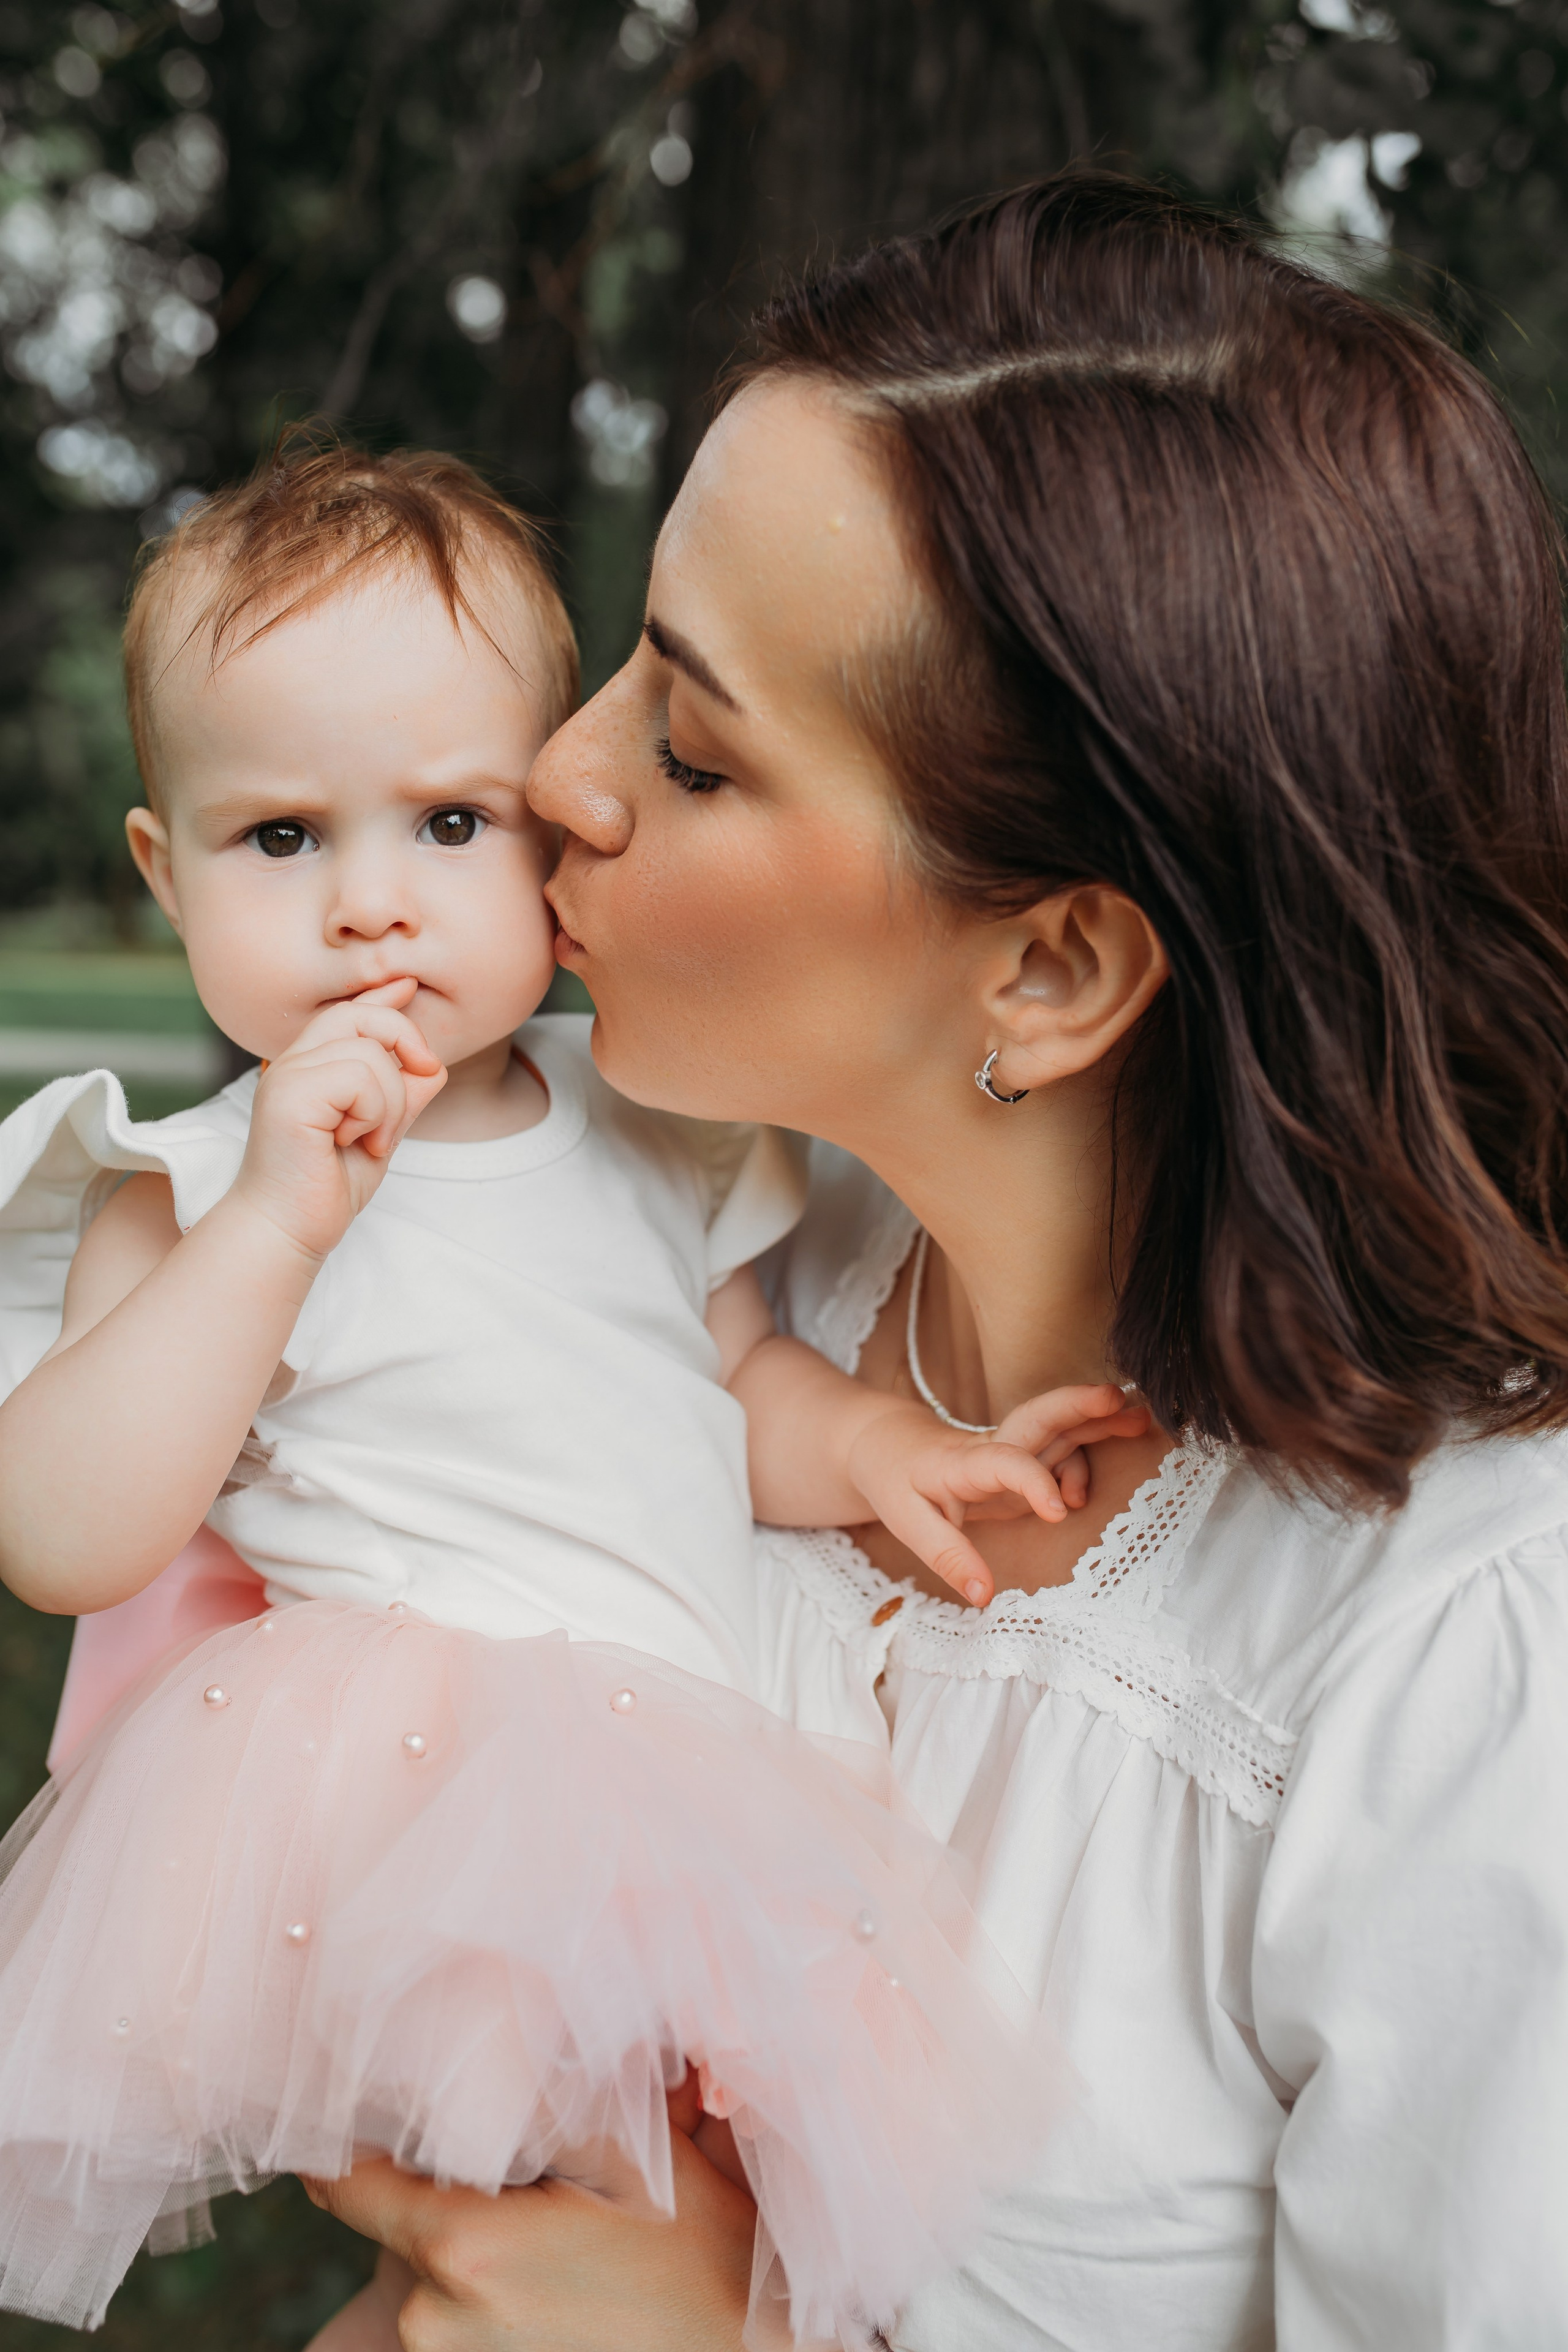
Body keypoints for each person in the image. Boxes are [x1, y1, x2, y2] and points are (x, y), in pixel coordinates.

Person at [309, 173, 1568, 2349]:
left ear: (1053, 969)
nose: (556, 776)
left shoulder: (1461, 1663)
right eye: (628, 657)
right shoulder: (692, 1276)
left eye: (693, 751)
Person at [0, 439, 1144, 2348]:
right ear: (164, 872)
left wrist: (887, 1446)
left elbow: (726, 1384)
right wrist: (277, 1226)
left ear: (542, 828)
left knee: (663, 2224)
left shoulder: (645, 1123)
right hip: (416, 1797)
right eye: (281, 840)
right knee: (492, 2220)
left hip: (678, 1785)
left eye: (450, 823)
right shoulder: (187, 1190)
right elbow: (61, 1533)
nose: (372, 906)